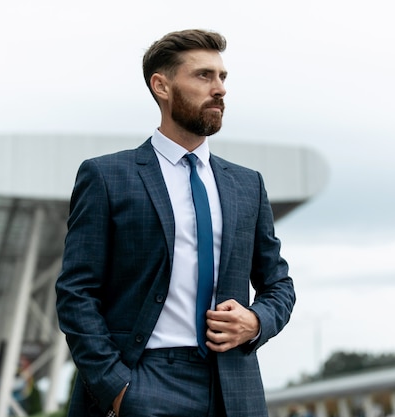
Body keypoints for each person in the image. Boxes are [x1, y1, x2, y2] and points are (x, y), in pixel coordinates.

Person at [56, 29, 295, 417]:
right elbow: (76, 292)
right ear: (162, 86)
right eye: (203, 76)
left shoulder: (247, 184)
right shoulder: (107, 176)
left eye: (222, 77)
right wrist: (116, 387)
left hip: (234, 389)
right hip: (143, 379)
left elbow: (278, 283)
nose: (219, 89)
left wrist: (255, 320)